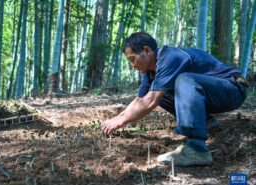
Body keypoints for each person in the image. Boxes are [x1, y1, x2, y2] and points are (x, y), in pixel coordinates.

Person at [101, 32, 248, 166]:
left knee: (184, 80)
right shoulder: (150, 72)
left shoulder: (170, 57)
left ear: (147, 50)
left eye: (133, 59)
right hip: (212, 94)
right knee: (159, 91)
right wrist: (116, 119)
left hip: (233, 89)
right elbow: (140, 100)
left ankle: (197, 148)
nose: (133, 65)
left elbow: (150, 102)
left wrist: (121, 121)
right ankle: (206, 123)